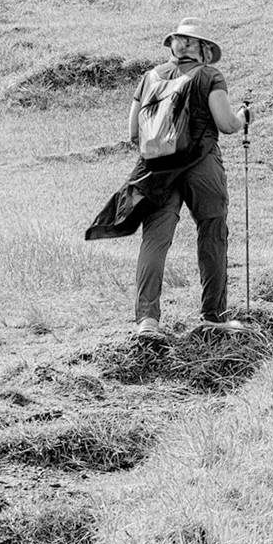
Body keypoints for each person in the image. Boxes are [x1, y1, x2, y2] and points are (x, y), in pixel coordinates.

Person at [99, 19, 250, 337]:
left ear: (174, 46)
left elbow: (132, 133)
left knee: (154, 240)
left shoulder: (149, 77)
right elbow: (225, 123)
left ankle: (147, 321)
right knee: (212, 234)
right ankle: (213, 315)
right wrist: (243, 117)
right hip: (201, 167)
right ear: (203, 49)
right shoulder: (209, 75)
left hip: (156, 171)